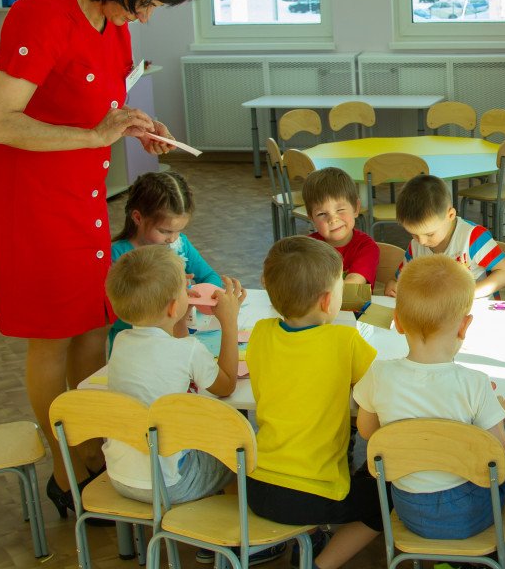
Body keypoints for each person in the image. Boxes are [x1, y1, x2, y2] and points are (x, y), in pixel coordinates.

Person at [0, 0, 191, 504]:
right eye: (144, 2)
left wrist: (133, 125)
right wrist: (95, 133)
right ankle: (64, 468)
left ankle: (95, 449)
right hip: (30, 199)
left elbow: (105, 103)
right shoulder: (41, 16)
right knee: (53, 335)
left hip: (81, 194)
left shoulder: (113, 24)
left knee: (95, 322)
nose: (144, 17)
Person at [354, 255, 505, 538]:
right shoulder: (475, 384)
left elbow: (368, 432)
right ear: (464, 326)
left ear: (398, 323)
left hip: (407, 509)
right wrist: (496, 414)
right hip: (468, 513)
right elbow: (497, 451)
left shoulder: (378, 374)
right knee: (502, 482)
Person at [243, 237, 382, 569]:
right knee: (385, 498)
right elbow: (381, 387)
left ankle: (306, 538)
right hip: (315, 494)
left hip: (257, 488)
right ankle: (321, 564)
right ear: (326, 301)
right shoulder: (344, 339)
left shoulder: (261, 332)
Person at [101, 246, 240, 505]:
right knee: (237, 449)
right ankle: (218, 535)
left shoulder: (120, 341)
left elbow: (166, 347)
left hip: (120, 478)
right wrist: (229, 323)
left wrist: (177, 316)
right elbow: (226, 385)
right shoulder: (189, 351)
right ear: (174, 305)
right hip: (171, 483)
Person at [108, 171, 226, 352]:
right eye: (165, 231)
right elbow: (116, 315)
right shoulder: (118, 256)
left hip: (173, 344)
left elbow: (210, 277)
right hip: (134, 351)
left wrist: (198, 293)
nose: (173, 238)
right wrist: (176, 294)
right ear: (138, 217)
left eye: (179, 230)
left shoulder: (180, 245)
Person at [383, 175, 505, 299]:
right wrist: (395, 285)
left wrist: (468, 294)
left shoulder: (473, 237)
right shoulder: (415, 246)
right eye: (413, 234)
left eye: (430, 234)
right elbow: (401, 280)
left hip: (478, 310)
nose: (421, 241)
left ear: (450, 215)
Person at [302, 167, 380, 286]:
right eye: (322, 214)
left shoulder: (367, 248)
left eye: (340, 210)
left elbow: (353, 284)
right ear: (312, 218)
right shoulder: (306, 248)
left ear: (356, 208)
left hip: (355, 305)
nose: (333, 219)